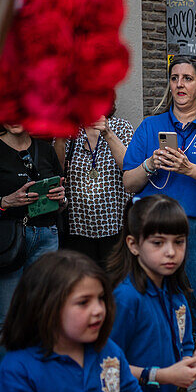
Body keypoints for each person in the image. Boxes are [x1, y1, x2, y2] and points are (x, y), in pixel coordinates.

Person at [122, 54, 196, 390]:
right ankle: (165, 383)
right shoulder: (151, 126)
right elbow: (129, 183)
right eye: (174, 78)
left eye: (187, 78)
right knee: (159, 310)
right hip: (158, 234)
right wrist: (150, 163)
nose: (179, 84)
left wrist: (188, 168)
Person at [0, 250, 172, 392]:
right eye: (83, 302)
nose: (98, 310)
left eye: (101, 298)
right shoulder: (17, 370)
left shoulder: (109, 352)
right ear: (46, 306)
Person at [0, 123, 66, 374]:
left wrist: (60, 199)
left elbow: (60, 203)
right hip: (4, 244)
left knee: (43, 315)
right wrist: (6, 202)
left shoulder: (45, 149)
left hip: (44, 236)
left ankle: (36, 387)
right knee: (3, 320)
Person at [108, 196, 196, 392]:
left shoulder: (176, 292)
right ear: (133, 245)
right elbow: (107, 366)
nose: (171, 252)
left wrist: (193, 365)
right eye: (158, 243)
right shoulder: (125, 297)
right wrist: (161, 376)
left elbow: (184, 345)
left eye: (179, 242)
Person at [54, 104, 134, 269]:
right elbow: (57, 172)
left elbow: (130, 168)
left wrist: (108, 134)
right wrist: (60, 138)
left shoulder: (121, 127)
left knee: (115, 285)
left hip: (116, 225)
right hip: (77, 227)